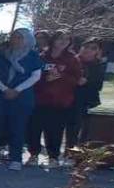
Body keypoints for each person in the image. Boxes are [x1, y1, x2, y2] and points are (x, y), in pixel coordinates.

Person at [0, 28, 43, 170]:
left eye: (19, 37)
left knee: (17, 128)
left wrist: (17, 90)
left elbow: (35, 76)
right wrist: (5, 89)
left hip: (22, 97)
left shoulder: (33, 56)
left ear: (27, 40)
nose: (15, 40)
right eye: (14, 37)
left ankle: (16, 158)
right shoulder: (2, 55)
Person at [26, 32, 83, 168]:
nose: (63, 41)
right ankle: (33, 155)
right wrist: (45, 79)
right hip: (40, 99)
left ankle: (53, 157)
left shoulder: (72, 59)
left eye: (66, 39)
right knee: (34, 128)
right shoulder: (42, 57)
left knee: (55, 130)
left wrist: (61, 76)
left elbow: (77, 79)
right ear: (53, 40)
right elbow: (32, 76)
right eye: (60, 38)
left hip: (60, 101)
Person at [68, 39, 105, 147]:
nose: (88, 50)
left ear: (97, 51)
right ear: (81, 47)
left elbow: (99, 86)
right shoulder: (73, 61)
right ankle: (66, 152)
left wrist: (87, 81)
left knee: (83, 129)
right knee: (69, 127)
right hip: (69, 99)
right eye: (86, 47)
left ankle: (77, 153)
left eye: (93, 48)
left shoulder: (98, 65)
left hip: (87, 101)